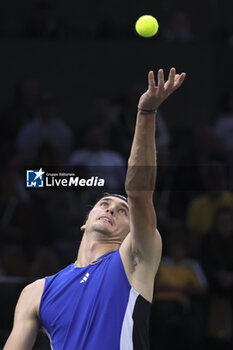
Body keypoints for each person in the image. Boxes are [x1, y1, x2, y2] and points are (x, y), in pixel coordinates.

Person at [3, 67, 186, 350]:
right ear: (84, 222)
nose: (111, 209)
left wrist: (145, 113)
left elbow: (138, 194)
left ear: (131, 231)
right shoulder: (36, 292)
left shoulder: (135, 260)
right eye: (103, 204)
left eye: (122, 211)